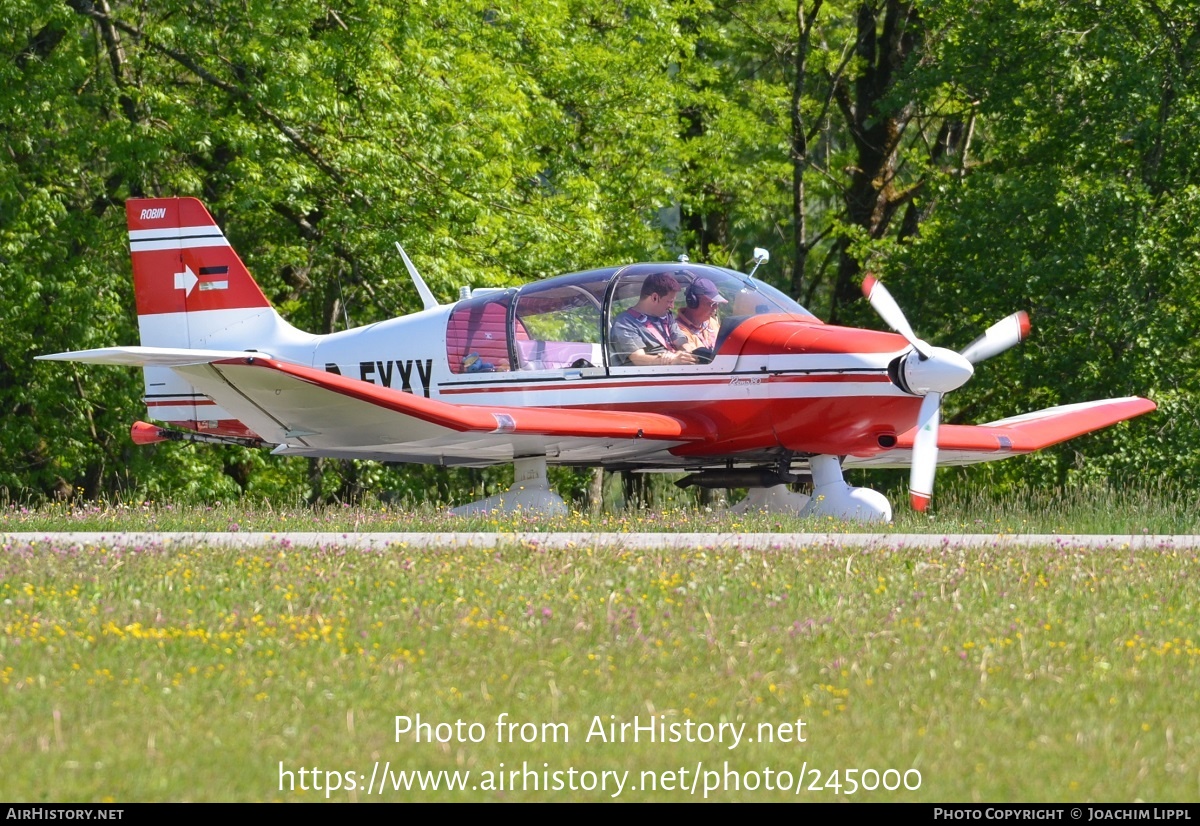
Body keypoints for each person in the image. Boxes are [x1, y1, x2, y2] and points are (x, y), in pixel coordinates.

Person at [609, 271, 699, 366]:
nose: (672, 306)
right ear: (655, 298)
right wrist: (670, 360)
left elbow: (681, 341)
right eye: (669, 301)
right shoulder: (625, 323)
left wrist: (685, 354)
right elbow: (638, 358)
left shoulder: (666, 316)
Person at [676, 277, 728, 353]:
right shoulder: (678, 330)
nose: (716, 308)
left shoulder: (712, 322)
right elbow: (696, 360)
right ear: (693, 302)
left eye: (717, 303)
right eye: (711, 303)